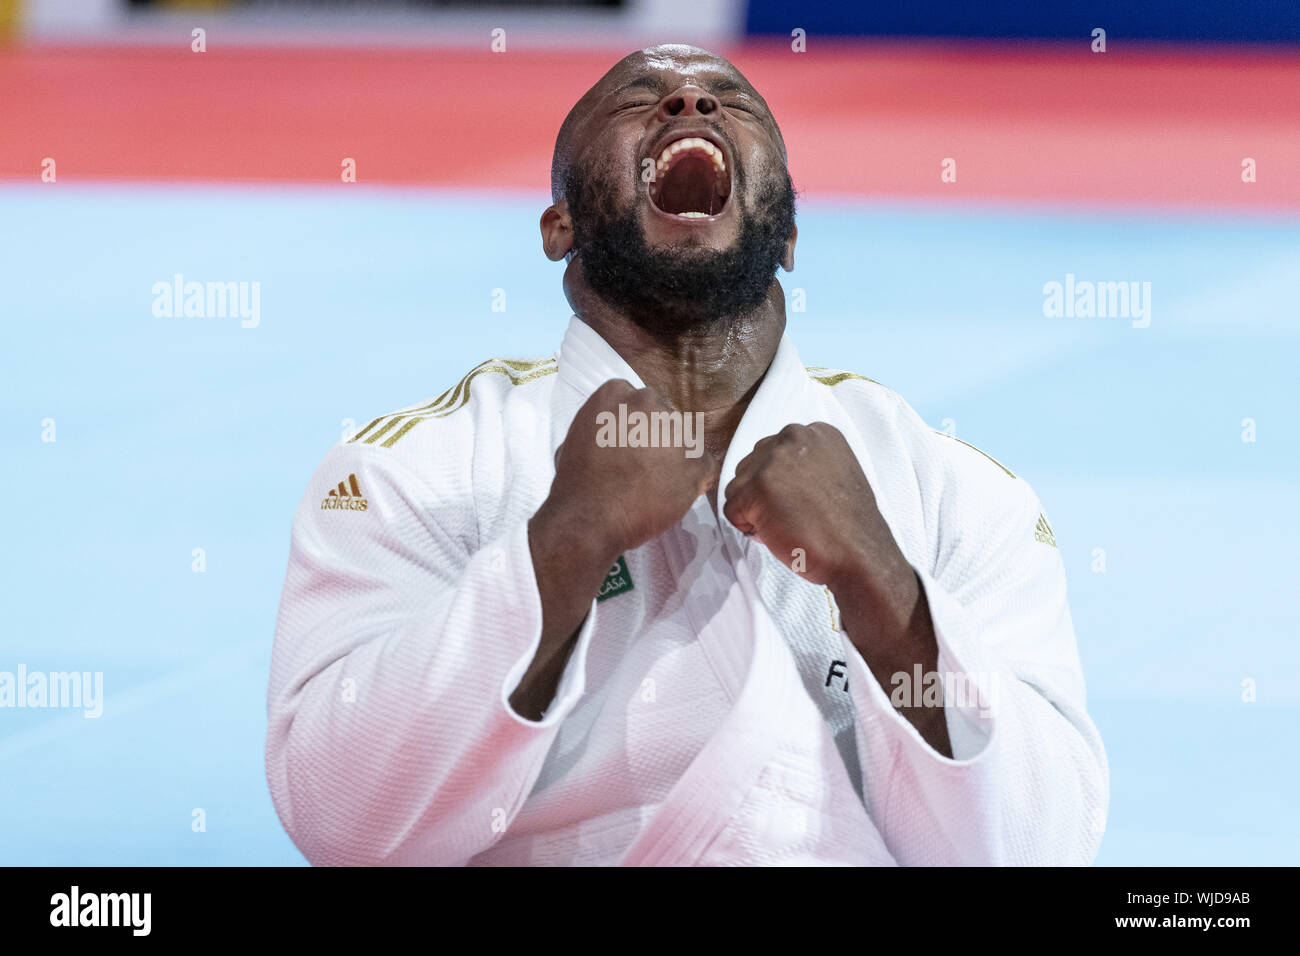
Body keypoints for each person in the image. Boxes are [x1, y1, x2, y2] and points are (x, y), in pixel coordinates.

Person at [265, 43, 1108, 866]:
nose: (691, 102)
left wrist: (878, 581)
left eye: (730, 100)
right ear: (559, 224)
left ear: (786, 233)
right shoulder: (416, 473)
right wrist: (562, 544)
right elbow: (338, 814)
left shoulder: (949, 490)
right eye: (638, 97)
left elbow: (1045, 842)